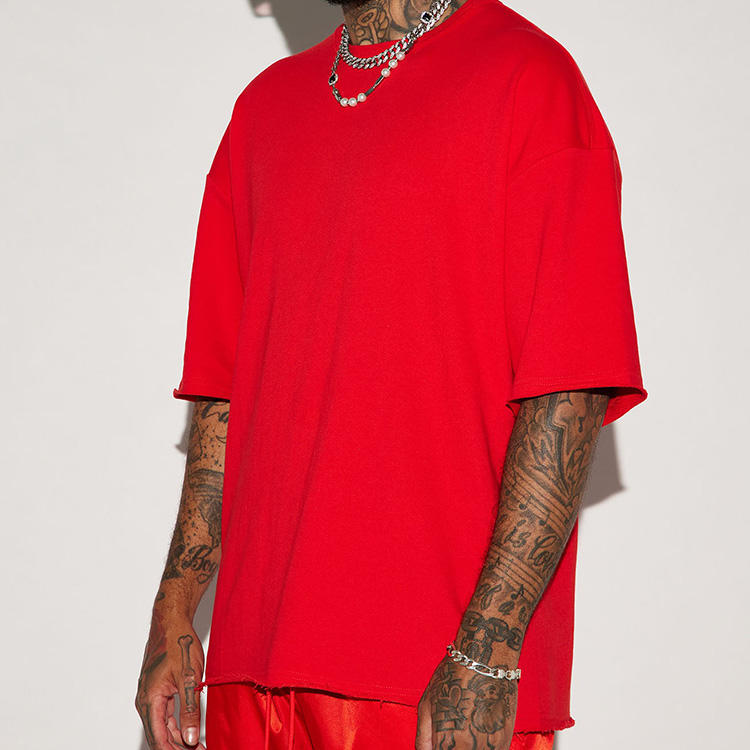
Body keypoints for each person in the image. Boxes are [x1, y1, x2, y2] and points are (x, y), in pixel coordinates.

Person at [135, 0, 647, 747]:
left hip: (432, 676)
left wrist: (488, 650)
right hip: (254, 666)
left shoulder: (529, 79)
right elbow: (223, 393)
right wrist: (176, 605)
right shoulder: (263, 111)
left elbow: (568, 387)